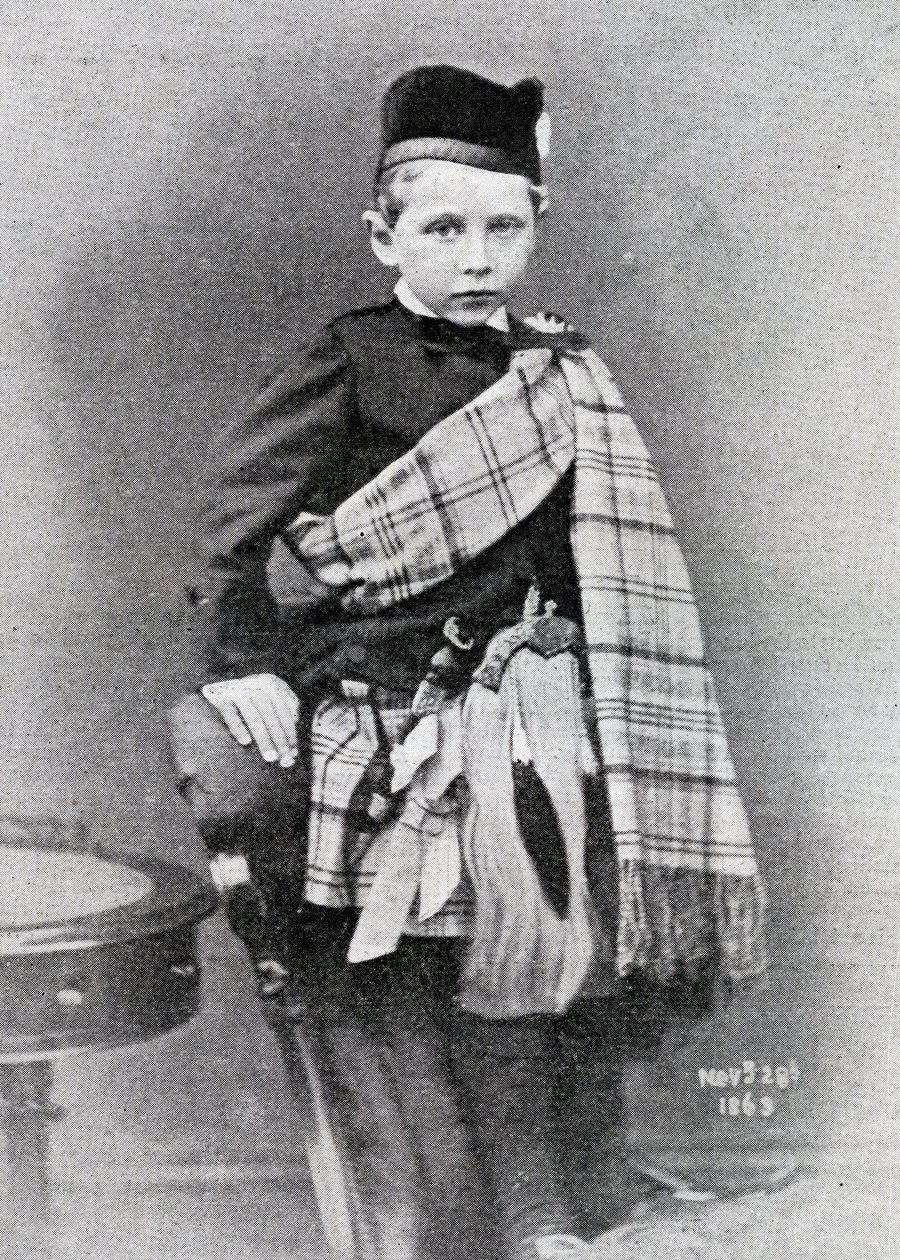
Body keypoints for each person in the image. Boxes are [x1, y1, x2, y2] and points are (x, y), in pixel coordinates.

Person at [191, 65, 768, 1260]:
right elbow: (231, 527)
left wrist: (601, 707)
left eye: (504, 228)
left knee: (572, 959)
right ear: (384, 236)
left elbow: (595, 558)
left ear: (537, 225)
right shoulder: (350, 360)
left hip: (544, 707)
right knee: (491, 963)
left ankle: (586, 1198)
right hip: (404, 720)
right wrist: (242, 659)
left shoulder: (563, 372)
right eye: (444, 229)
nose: (476, 257)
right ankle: (528, 1218)